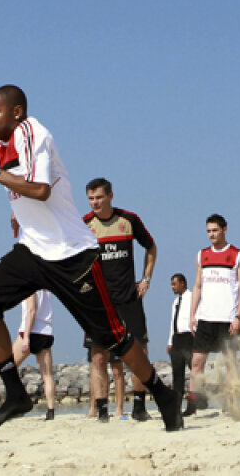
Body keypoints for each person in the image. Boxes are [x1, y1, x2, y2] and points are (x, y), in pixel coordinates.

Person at [0, 85, 180, 432]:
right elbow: (27, 195)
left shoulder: (33, 133)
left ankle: (162, 394)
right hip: (33, 249)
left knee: (112, 338)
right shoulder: (4, 145)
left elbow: (41, 189)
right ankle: (15, 394)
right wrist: (19, 214)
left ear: (16, 112)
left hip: (71, 256)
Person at [82, 178, 157, 422]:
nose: (95, 202)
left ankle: (138, 407)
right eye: (91, 198)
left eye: (99, 198)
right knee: (98, 356)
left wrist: (146, 278)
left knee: (139, 352)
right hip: (98, 303)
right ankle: (102, 410)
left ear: (111, 196)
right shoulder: (84, 225)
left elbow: (151, 247)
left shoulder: (129, 220)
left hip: (128, 299)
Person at [186, 214, 240, 416]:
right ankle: (192, 406)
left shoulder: (238, 254)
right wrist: (192, 314)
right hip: (205, 318)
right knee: (196, 362)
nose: (212, 234)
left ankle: (231, 403)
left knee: (230, 363)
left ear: (224, 230)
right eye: (209, 231)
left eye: (215, 230)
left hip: (228, 318)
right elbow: (197, 286)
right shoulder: (201, 255)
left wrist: (238, 316)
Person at [13, 290, 58, 420]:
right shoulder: (46, 288)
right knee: (47, 375)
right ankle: (51, 410)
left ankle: (19, 402)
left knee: (9, 366)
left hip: (31, 331)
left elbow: (31, 310)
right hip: (46, 332)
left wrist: (26, 336)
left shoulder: (30, 287)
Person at [167, 273, 194, 414]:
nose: (173, 287)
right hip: (177, 339)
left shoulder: (192, 298)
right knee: (177, 375)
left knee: (194, 371)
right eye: (172, 284)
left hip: (189, 337)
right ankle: (176, 406)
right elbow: (173, 322)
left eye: (174, 284)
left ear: (182, 283)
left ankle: (193, 405)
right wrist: (170, 341)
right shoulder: (176, 302)